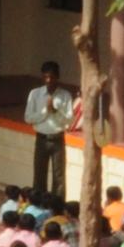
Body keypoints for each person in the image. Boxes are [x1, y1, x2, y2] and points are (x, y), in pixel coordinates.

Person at [25, 61, 75, 205]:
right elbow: (28, 118)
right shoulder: (35, 94)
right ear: (42, 77)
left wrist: (55, 111)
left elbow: (69, 121)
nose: (49, 81)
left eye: (52, 77)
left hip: (58, 139)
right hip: (41, 138)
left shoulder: (65, 95)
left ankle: (57, 205)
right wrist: (45, 112)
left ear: (57, 77)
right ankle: (38, 205)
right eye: (46, 77)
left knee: (59, 176)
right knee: (39, 173)